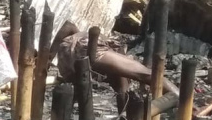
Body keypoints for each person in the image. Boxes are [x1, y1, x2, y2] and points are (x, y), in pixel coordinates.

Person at [51, 21, 179, 97]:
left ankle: (188, 106)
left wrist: (46, 61)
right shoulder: (107, 54)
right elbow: (145, 76)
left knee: (138, 78)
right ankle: (190, 108)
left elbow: (68, 26)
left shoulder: (79, 40)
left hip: (67, 59)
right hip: (88, 54)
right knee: (149, 75)